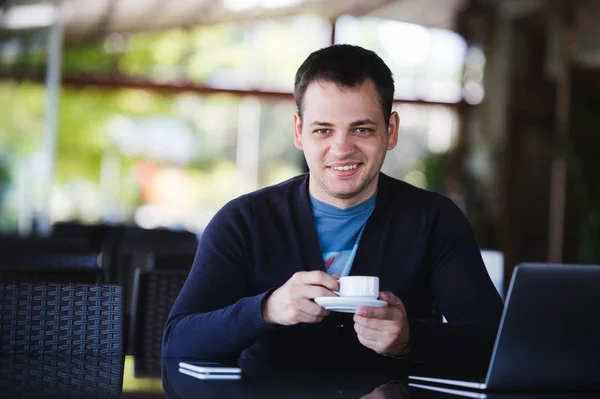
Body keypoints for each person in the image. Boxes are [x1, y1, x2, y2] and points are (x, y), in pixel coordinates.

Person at [162, 44, 503, 370]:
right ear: (299, 131)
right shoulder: (244, 221)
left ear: (391, 130)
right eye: (323, 130)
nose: (341, 149)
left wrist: (412, 338)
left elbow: (495, 344)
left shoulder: (434, 221)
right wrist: (266, 309)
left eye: (362, 129)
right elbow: (177, 341)